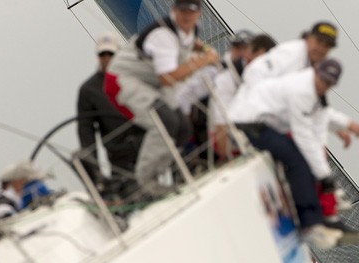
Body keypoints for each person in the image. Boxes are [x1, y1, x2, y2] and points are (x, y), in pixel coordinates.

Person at [229, 58, 355, 248]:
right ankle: (320, 216)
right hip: (267, 131)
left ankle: (327, 213)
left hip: (286, 132)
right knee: (306, 163)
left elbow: (318, 116)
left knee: (314, 162)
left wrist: (335, 130)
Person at [105, 0, 220, 196]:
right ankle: (145, 181)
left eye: (192, 12)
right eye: (182, 11)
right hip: (123, 82)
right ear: (174, 11)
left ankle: (182, 170)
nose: (187, 16)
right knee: (164, 122)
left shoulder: (187, 30)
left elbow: (192, 43)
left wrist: (206, 51)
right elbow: (168, 78)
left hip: (149, 82)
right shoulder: (163, 35)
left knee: (183, 127)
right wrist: (202, 62)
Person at [77, 32, 143, 193]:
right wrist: (95, 168)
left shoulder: (135, 76)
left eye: (110, 54)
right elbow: (86, 131)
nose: (106, 58)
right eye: (102, 54)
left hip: (146, 143)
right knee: (127, 190)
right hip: (118, 153)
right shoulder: (88, 90)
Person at [210, 33, 277, 160]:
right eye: (237, 48)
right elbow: (220, 120)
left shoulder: (262, 75)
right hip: (229, 136)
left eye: (244, 48)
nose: (241, 53)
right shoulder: (222, 75)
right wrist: (225, 158)